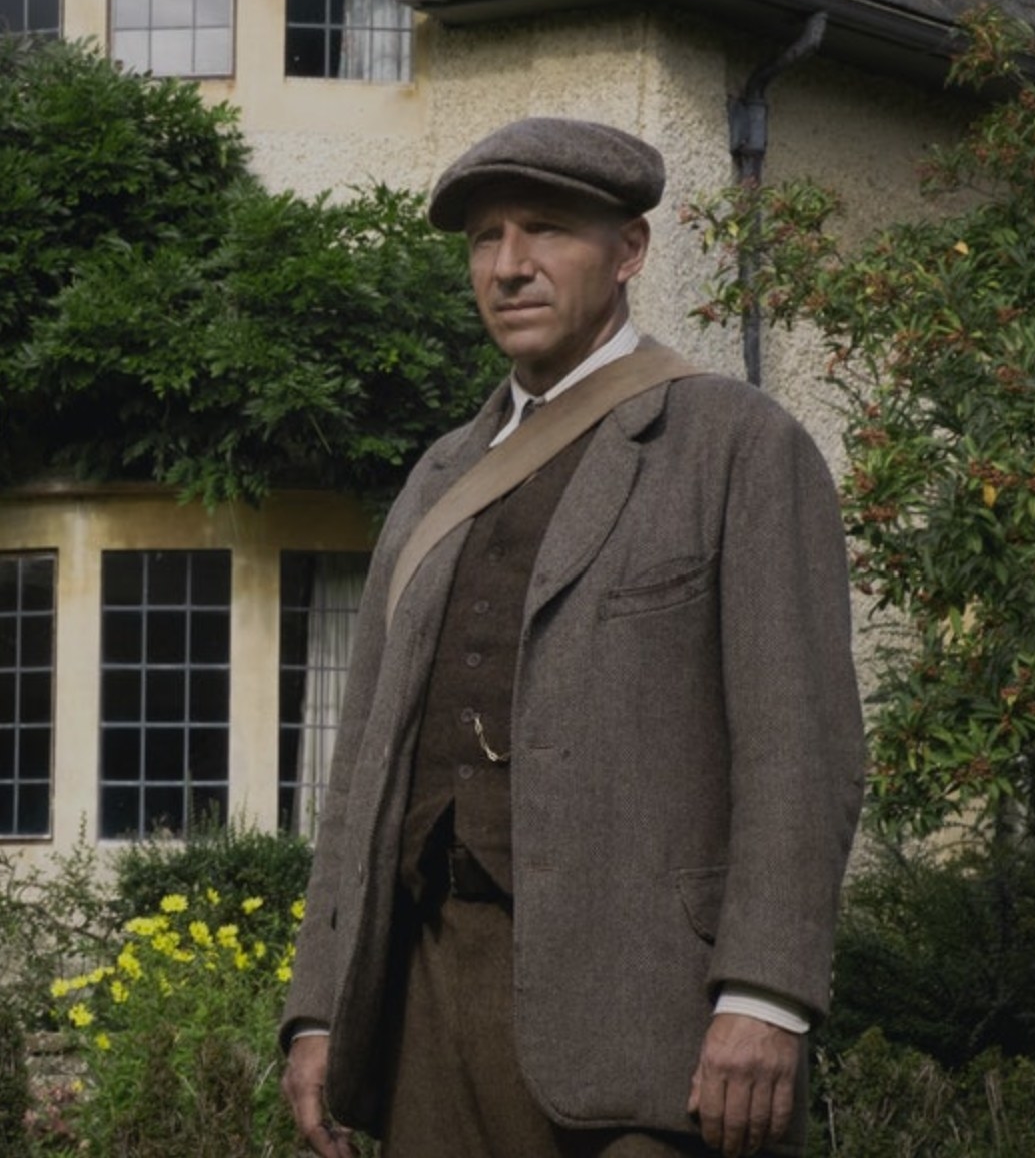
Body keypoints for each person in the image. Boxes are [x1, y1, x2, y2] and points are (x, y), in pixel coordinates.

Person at [280, 116, 865, 1158]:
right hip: (426, 1000)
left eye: (546, 231)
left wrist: (764, 997)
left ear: (627, 251)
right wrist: (321, 1007)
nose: (508, 267)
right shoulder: (436, 477)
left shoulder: (734, 446)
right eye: (483, 238)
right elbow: (360, 765)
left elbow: (799, 751)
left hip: (651, 1020)